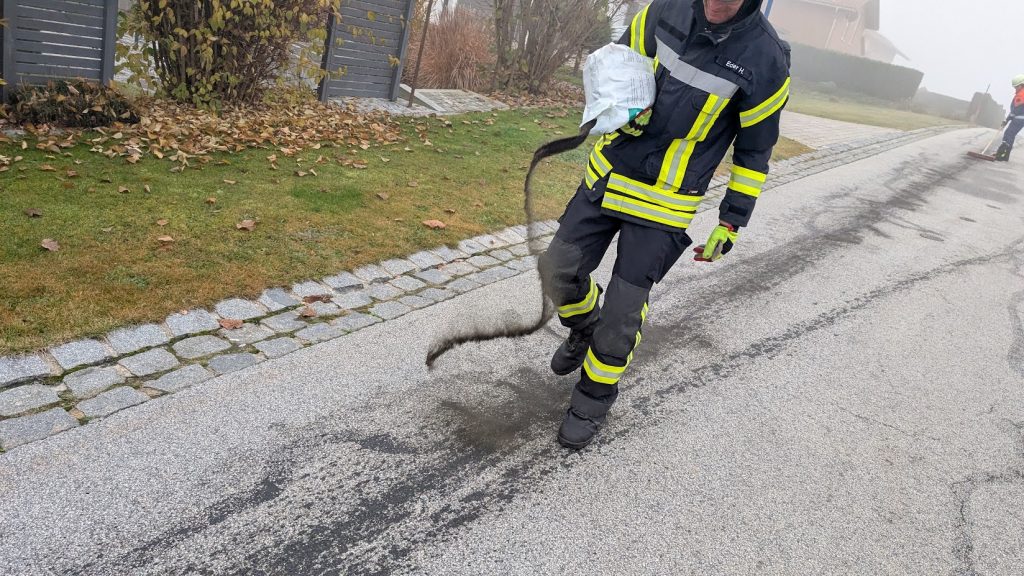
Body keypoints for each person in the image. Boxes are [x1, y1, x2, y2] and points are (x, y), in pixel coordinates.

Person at [538, 0, 791, 449]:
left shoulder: (766, 58)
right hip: (609, 173)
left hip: (664, 203)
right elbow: (618, 65)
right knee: (557, 268)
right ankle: (582, 328)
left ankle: (592, 399)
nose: (717, 3)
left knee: (623, 313)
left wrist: (731, 221)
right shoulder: (665, 9)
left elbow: (755, 151)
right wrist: (616, 108)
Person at [995, 75, 1024, 162]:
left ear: (1022, 85)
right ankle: (1005, 156)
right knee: (1010, 134)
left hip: (1019, 119)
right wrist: (1006, 120)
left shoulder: (1021, 95)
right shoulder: (1020, 94)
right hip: (1019, 119)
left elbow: (1016, 110)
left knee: (1009, 134)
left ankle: (1002, 154)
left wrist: (1007, 120)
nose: (1015, 89)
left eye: (1016, 87)